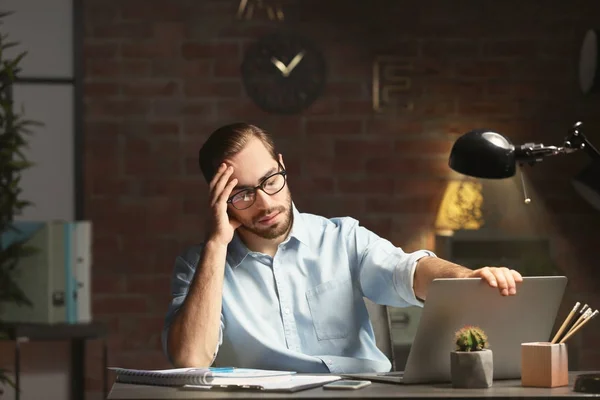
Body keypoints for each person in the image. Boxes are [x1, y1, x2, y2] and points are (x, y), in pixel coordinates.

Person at [161, 122, 523, 373]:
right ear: (219, 199)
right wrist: (216, 244)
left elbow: (408, 271)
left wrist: (465, 277)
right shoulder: (199, 267)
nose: (265, 203)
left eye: (271, 181)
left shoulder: (343, 238)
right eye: (242, 193)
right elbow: (191, 357)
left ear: (282, 167)